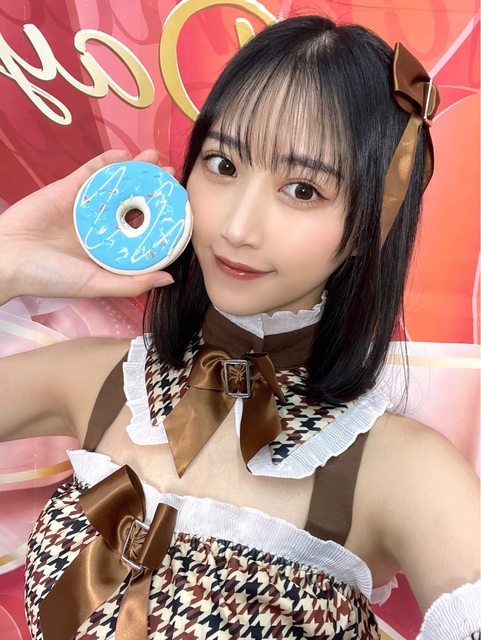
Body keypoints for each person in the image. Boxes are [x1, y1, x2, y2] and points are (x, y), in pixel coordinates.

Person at [0, 15, 480, 640]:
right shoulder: (100, 382)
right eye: (223, 164)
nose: (237, 227)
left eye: (303, 189)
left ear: (370, 225)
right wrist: (6, 261)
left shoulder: (397, 469)